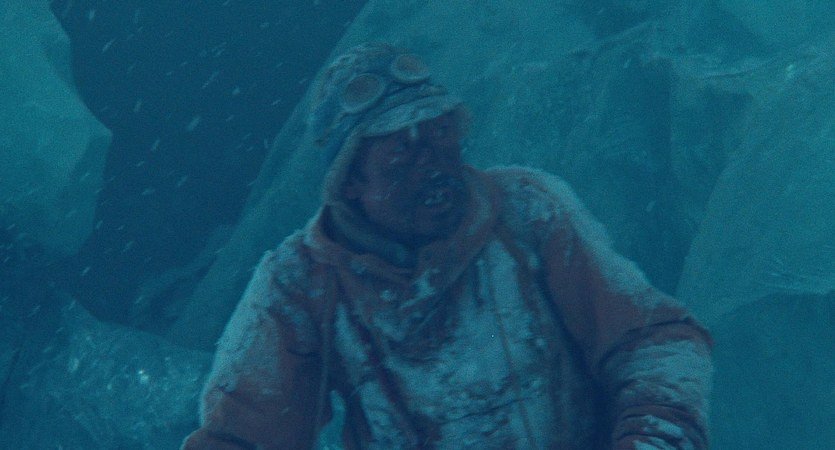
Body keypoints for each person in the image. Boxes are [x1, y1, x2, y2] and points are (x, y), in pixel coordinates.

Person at [181, 42, 712, 450]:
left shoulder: (528, 211)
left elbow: (651, 341)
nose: (433, 165)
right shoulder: (299, 282)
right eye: (401, 155)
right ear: (351, 183)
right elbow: (241, 438)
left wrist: (654, 437)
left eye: (440, 136)